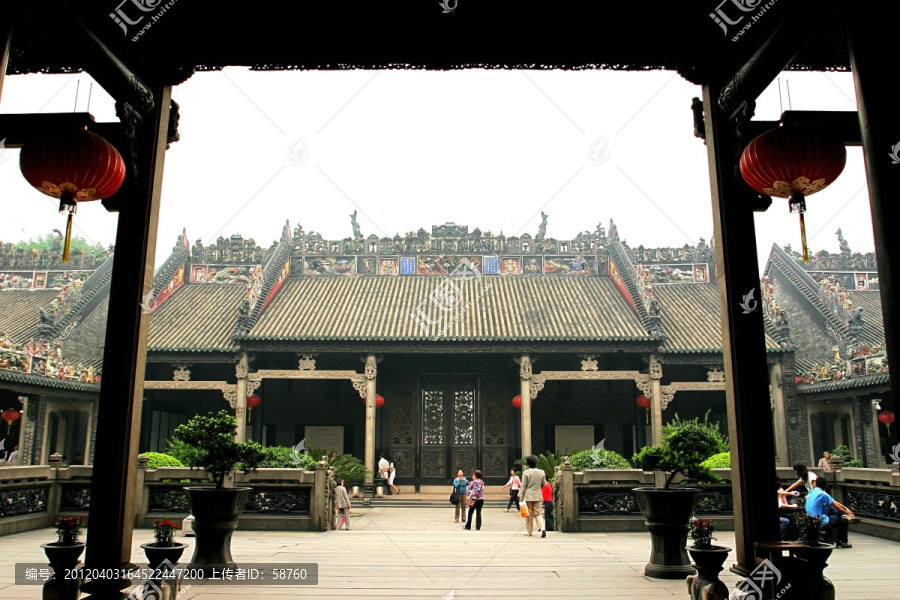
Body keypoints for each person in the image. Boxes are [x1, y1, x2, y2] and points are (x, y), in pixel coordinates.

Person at [806, 475, 858, 548]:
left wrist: (845, 508)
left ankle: (842, 517)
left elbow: (834, 502)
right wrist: (848, 513)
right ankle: (843, 541)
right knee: (843, 519)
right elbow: (837, 506)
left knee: (831, 507)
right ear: (825, 486)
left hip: (809, 519)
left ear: (816, 484)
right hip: (820, 521)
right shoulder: (822, 494)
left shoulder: (811, 493)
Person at [518, 455, 547, 538]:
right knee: (538, 513)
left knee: (528, 514)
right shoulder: (541, 472)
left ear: (528, 463)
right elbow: (544, 484)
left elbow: (523, 486)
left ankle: (529, 531)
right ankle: (542, 528)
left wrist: (521, 497)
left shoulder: (526, 473)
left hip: (528, 496)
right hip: (538, 495)